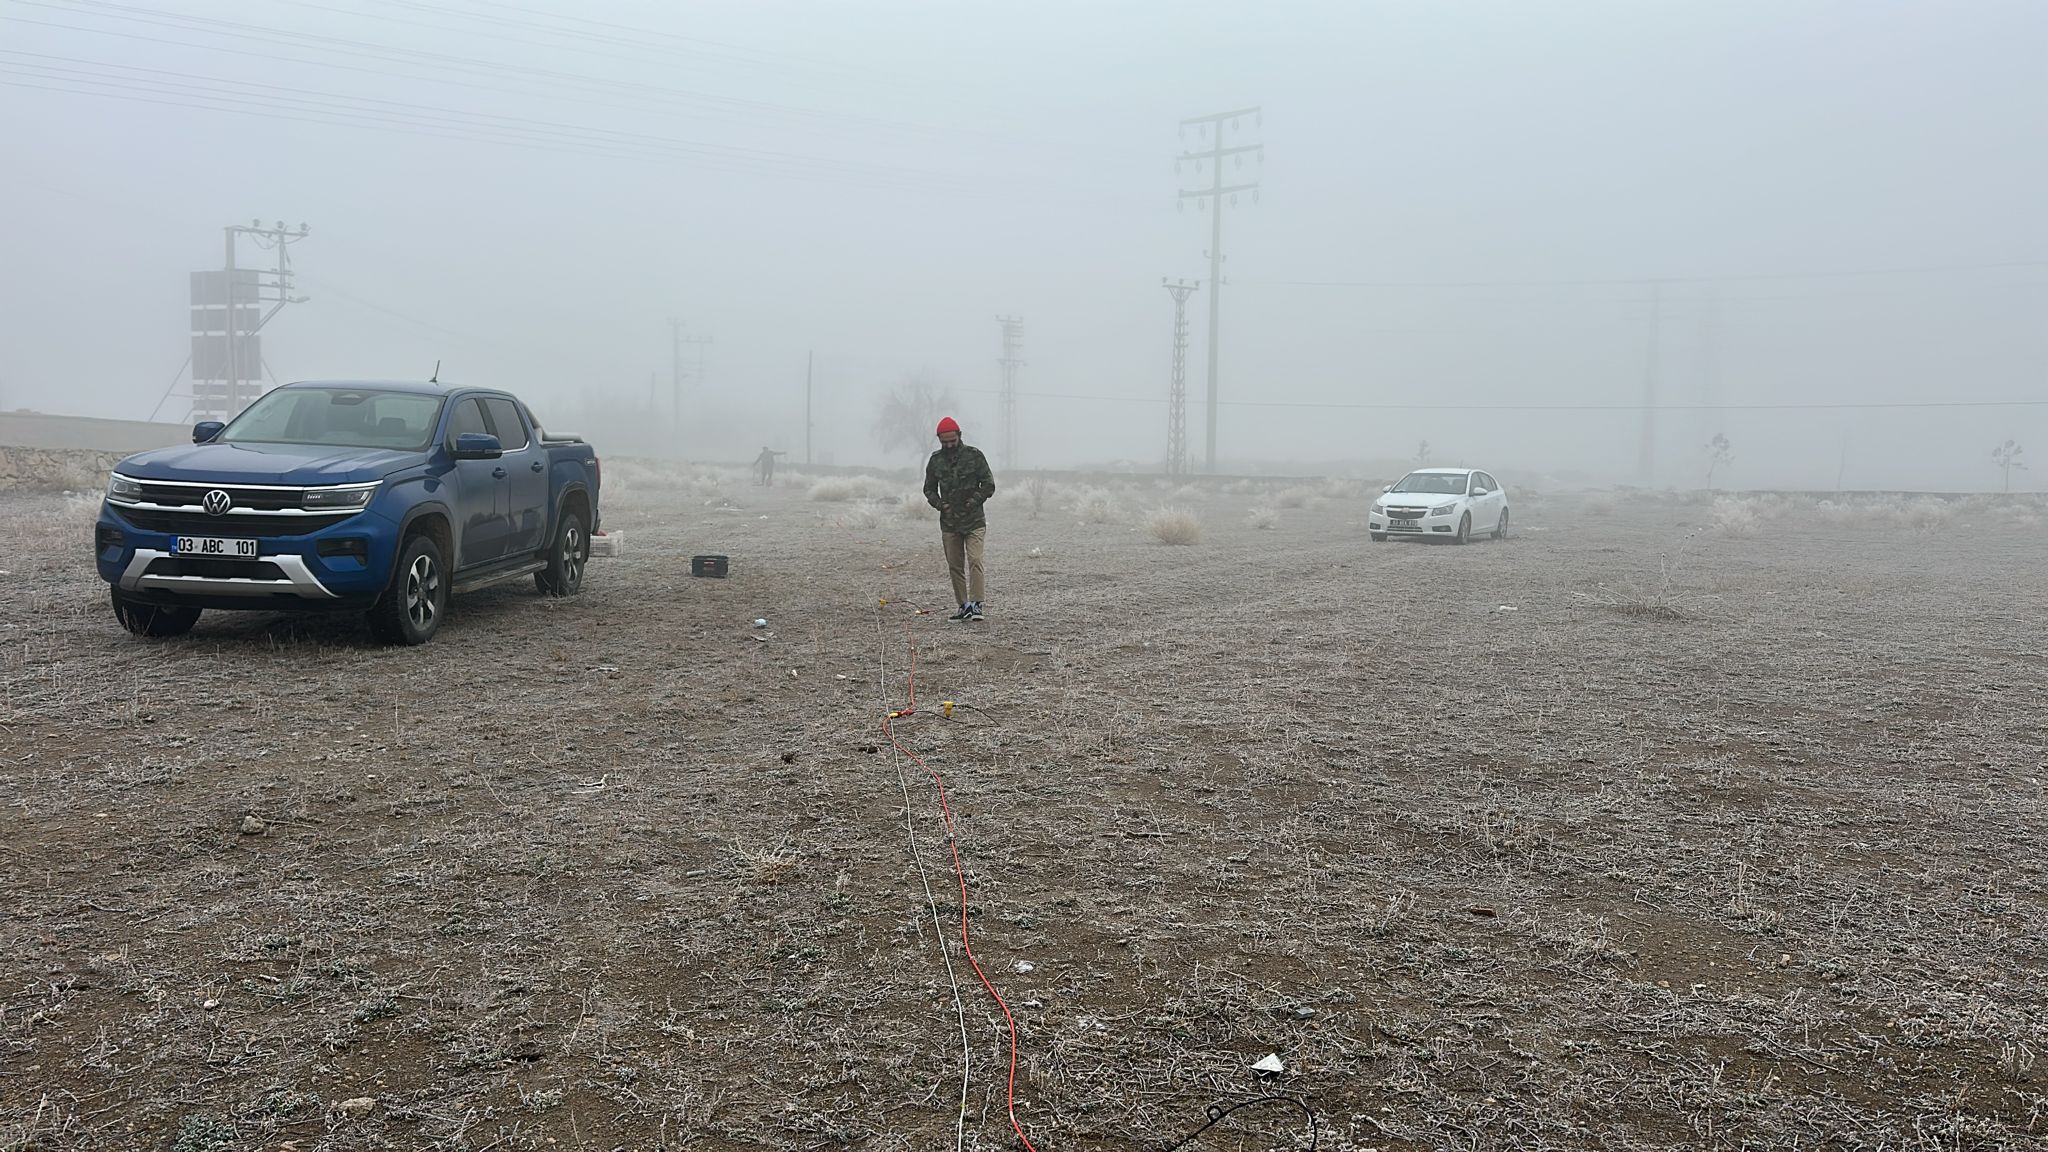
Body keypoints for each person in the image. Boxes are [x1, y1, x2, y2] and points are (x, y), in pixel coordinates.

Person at [922, 416, 995, 622]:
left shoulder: (975, 456)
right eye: (944, 442)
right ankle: (963, 606)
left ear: (959, 436)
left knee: (975, 560)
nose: (949, 445)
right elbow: (928, 489)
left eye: (952, 441)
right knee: (954, 565)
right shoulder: (935, 460)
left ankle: (977, 605)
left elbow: (989, 485)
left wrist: (974, 501)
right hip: (949, 523)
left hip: (974, 521)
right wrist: (940, 505)